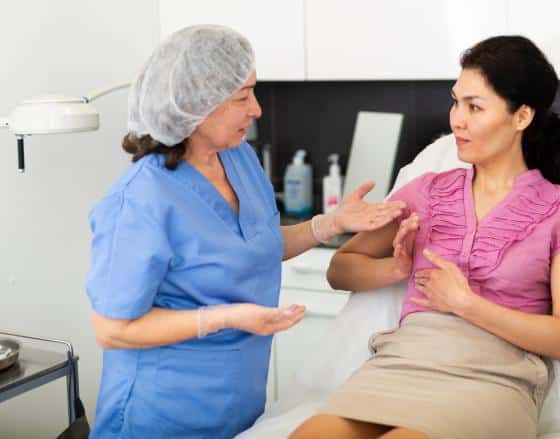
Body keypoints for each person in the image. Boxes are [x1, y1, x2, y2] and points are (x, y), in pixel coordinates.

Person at [85, 25, 405, 438]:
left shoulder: (239, 160)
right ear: (197, 106)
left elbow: (256, 246)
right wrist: (225, 317)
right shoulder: (140, 201)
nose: (256, 109)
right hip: (161, 414)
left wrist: (331, 224)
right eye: (242, 97)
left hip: (237, 410)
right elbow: (112, 329)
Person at [291, 36, 560, 439]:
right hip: (403, 363)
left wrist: (466, 304)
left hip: (494, 379)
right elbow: (340, 269)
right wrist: (396, 268)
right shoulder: (426, 191)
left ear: (522, 116)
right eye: (456, 102)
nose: (457, 119)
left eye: (474, 107)